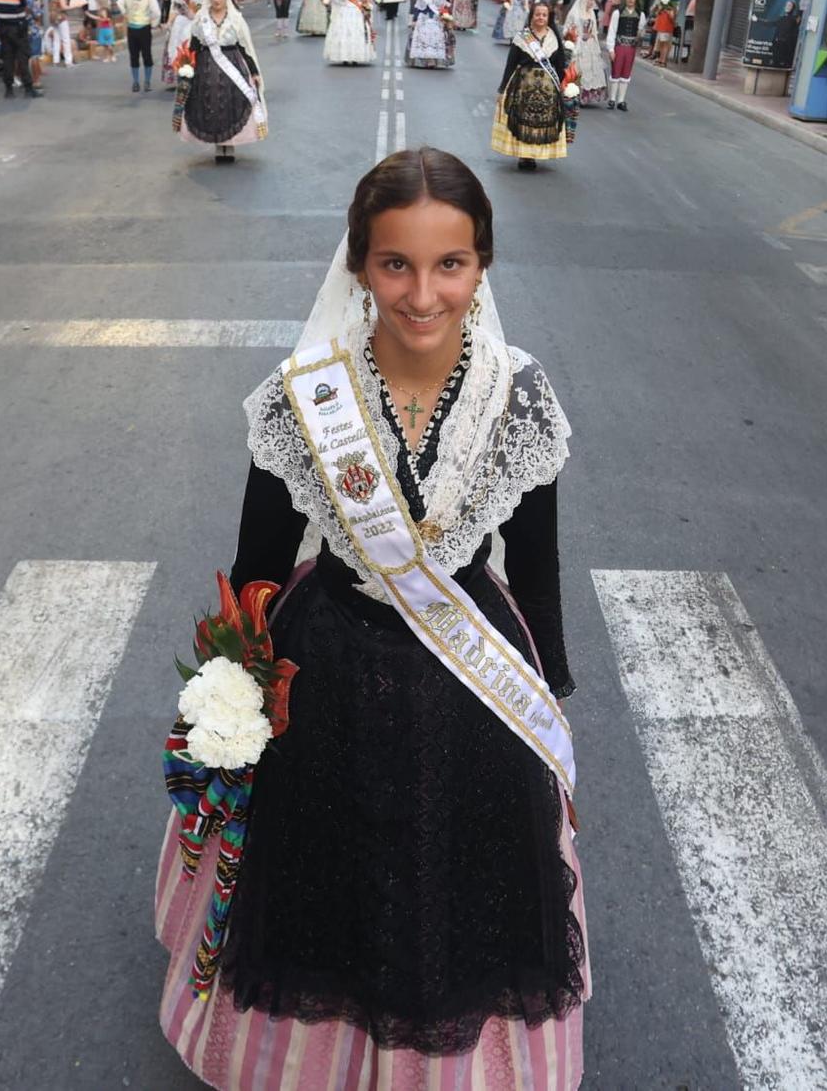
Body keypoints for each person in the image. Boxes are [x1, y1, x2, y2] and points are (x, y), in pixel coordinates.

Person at [157, 146, 584, 1089]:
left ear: (483, 266)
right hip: (331, 670)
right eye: (395, 263)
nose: (422, 294)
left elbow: (538, 562)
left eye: (450, 264)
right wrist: (225, 697)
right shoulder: (304, 394)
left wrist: (549, 697)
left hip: (475, 684)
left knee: (462, 900)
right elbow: (259, 566)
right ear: (358, 265)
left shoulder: (519, 394)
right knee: (326, 894)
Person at [173, 0, 265, 164]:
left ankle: (229, 145)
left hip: (232, 65)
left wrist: (254, 72)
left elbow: (244, 47)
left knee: (231, 105)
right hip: (206, 67)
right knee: (211, 106)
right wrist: (187, 67)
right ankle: (218, 145)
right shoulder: (201, 18)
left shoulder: (235, 18)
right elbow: (194, 46)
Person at [493, 2, 576, 171]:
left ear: (548, 18)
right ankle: (525, 155)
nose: (541, 17)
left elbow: (560, 66)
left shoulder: (554, 39)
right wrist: (502, 89)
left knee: (542, 122)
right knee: (523, 121)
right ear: (532, 16)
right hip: (524, 86)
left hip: (547, 89)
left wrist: (564, 85)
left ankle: (536, 153)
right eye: (537, 14)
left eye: (544, 15)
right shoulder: (522, 38)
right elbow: (510, 64)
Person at [562, 0, 609, 108]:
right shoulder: (575, 13)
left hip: (590, 45)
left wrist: (592, 36)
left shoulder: (592, 13)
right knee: (578, 69)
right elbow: (567, 28)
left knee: (591, 69)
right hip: (579, 44)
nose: (591, 3)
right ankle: (574, 93)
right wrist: (574, 35)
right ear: (584, 0)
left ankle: (585, 96)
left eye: (592, 1)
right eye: (589, 0)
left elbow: (594, 29)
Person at [325, 0, 376, 66]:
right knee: (344, 33)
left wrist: (366, 6)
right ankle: (344, 56)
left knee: (357, 33)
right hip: (345, 10)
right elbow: (338, 0)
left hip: (357, 11)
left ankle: (355, 57)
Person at [404, 0, 454, 71]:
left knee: (437, 34)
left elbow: (443, 9)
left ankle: (433, 59)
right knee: (422, 33)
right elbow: (418, 8)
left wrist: (446, 19)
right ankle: (425, 59)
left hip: (436, 19)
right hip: (424, 18)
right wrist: (414, 20)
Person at [119, 0, 160, 91]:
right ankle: (135, 82)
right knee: (133, 56)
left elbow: (156, 11)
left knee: (147, 55)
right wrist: (125, 13)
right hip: (132, 28)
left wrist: (152, 23)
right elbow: (119, 4)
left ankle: (147, 81)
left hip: (144, 28)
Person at [604, 0, 643, 111]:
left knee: (626, 72)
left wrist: (639, 36)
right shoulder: (618, 13)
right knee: (616, 71)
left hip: (631, 48)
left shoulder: (640, 14)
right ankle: (612, 99)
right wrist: (611, 49)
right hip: (619, 46)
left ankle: (621, 100)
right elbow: (612, 31)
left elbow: (640, 31)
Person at [648, 0, 677, 64]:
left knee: (665, 45)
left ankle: (663, 61)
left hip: (666, 28)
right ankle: (660, 59)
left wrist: (667, 11)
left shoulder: (670, 7)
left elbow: (672, 17)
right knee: (661, 44)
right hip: (660, 27)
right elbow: (656, 13)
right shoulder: (662, 6)